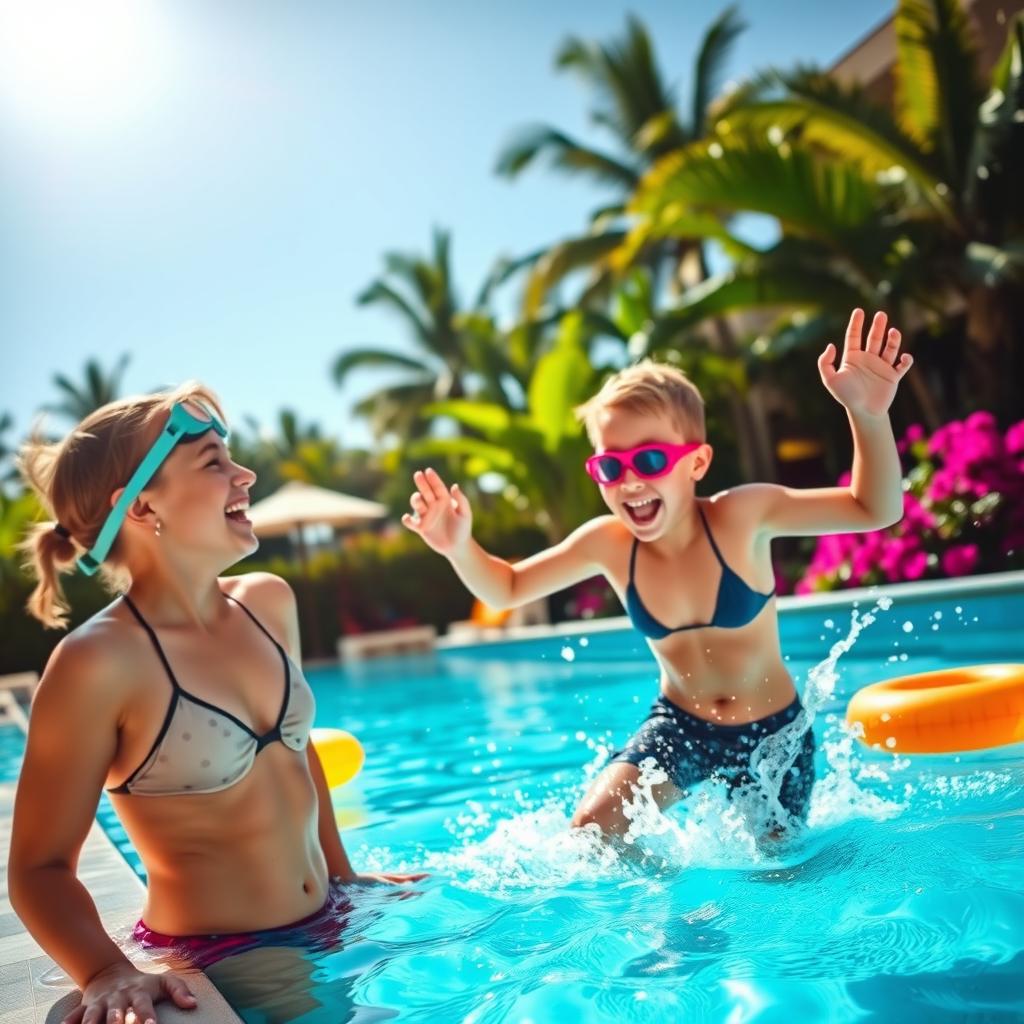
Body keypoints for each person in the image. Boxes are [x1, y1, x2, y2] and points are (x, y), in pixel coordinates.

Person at [403, 309, 913, 840]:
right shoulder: (608, 544)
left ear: (696, 463)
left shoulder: (741, 518)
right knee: (592, 831)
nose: (629, 482)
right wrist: (459, 548)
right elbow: (505, 588)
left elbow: (872, 509)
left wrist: (867, 416)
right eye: (609, 466)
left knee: (778, 872)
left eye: (649, 460)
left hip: (773, 734)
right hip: (681, 726)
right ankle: (674, 906)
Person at [7, 383, 424, 1024]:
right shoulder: (100, 662)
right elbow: (38, 865)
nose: (245, 474)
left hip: (334, 920)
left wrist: (345, 876)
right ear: (144, 505)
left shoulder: (267, 603)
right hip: (226, 955)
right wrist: (106, 971)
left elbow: (297, 754)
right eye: (213, 462)